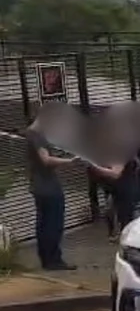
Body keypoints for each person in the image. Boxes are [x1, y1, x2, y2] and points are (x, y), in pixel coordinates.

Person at [23, 111, 79, 270]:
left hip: (39, 186)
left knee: (43, 223)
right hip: (47, 188)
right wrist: (68, 162)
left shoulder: (30, 134)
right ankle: (54, 260)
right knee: (53, 223)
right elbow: (46, 160)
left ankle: (46, 259)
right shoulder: (37, 136)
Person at [86, 154, 140, 233]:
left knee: (125, 216)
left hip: (125, 189)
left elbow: (115, 174)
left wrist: (95, 167)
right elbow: (93, 187)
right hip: (114, 189)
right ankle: (115, 232)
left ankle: (126, 234)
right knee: (111, 210)